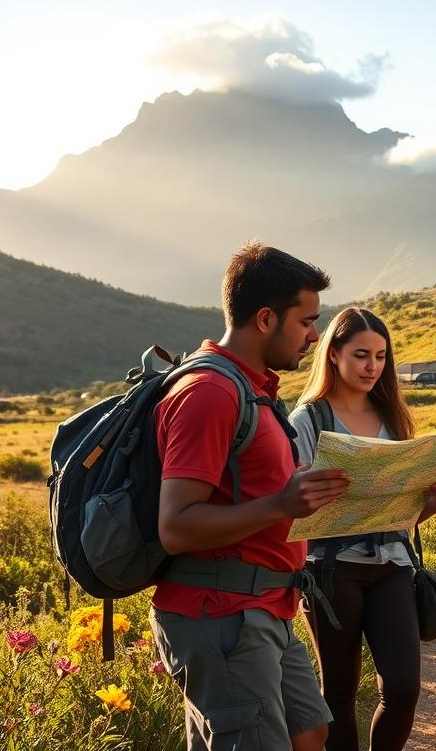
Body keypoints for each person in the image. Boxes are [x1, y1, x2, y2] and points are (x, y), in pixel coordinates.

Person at [152, 243, 351, 751]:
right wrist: (281, 504)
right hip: (221, 613)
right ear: (266, 318)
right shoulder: (209, 393)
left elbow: (251, 488)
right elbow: (175, 527)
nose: (314, 335)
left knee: (310, 732)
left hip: (264, 605)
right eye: (307, 321)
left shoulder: (253, 389)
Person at [289, 306, 436, 751]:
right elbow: (293, 506)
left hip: (393, 566)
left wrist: (432, 504)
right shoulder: (308, 421)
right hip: (330, 572)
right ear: (334, 356)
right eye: (361, 355)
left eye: (381, 356)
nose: (372, 367)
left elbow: (401, 515)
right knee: (339, 695)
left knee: (404, 688)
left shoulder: (395, 416)